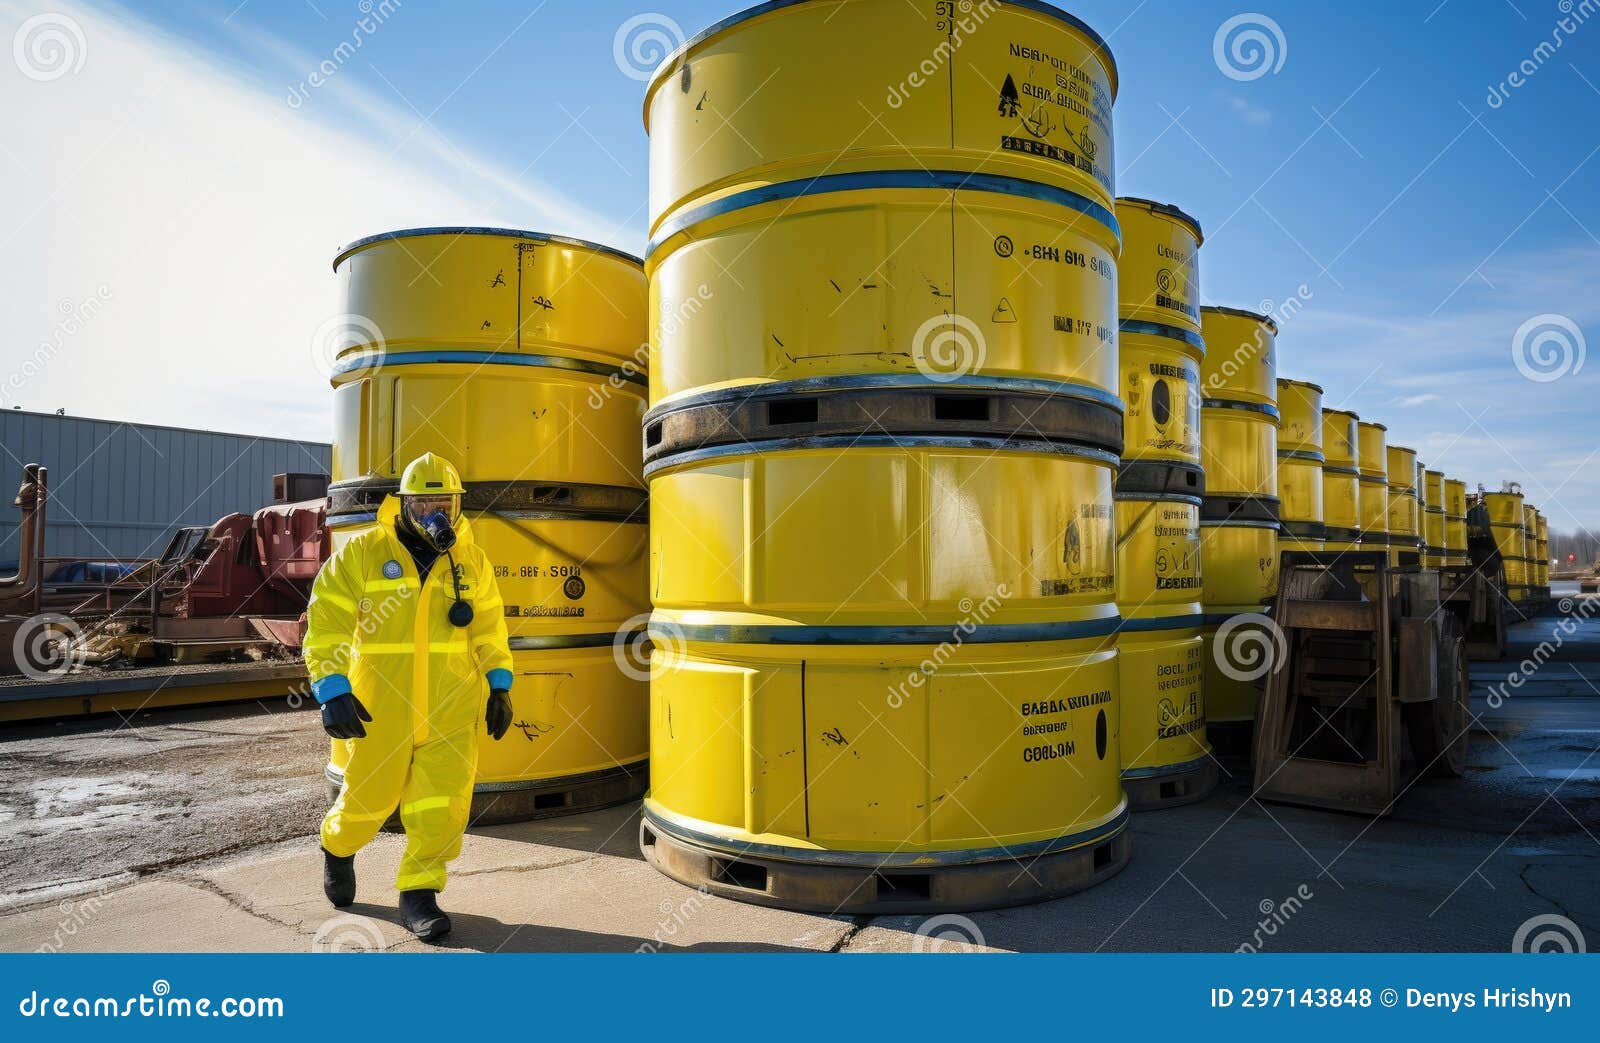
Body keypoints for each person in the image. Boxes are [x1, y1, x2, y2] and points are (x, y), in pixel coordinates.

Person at [303, 453, 514, 941]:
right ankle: (337, 848)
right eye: (422, 504)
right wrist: (332, 688)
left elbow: (489, 627)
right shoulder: (362, 553)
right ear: (402, 504)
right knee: (367, 799)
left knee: (442, 804)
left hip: (451, 704)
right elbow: (326, 623)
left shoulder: (470, 559)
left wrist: (500, 684)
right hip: (381, 706)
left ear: (459, 506)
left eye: (444, 504)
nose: (433, 516)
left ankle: (419, 893)